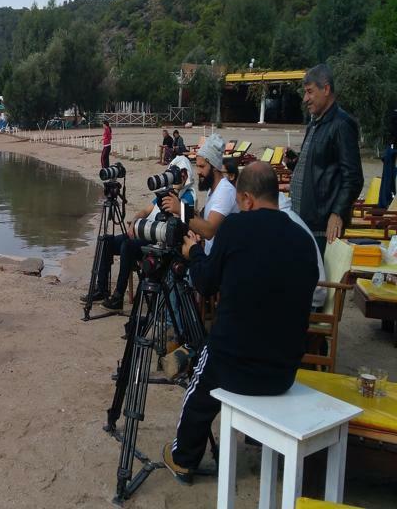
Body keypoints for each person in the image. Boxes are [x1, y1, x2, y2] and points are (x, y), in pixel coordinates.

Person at [162, 162, 319, 484]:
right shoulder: (303, 239)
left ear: (246, 198)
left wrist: (193, 252)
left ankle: (182, 459)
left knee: (199, 388)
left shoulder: (235, 228)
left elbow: (205, 283)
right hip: (283, 372)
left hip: (233, 367)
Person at [82, 156, 196, 310]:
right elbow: (145, 210)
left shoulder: (188, 196)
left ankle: (118, 296)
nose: (178, 177)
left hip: (158, 239)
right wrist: (134, 222)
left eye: (182, 174)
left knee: (127, 246)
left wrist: (176, 195)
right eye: (176, 173)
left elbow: (180, 222)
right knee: (106, 241)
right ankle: (101, 288)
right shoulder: (164, 193)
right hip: (142, 231)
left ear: (186, 175)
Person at [290, 64, 364, 254]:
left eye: (309, 92)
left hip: (323, 229)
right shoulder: (315, 123)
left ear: (326, 89)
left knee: (321, 281)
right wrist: (296, 163)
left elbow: (353, 178)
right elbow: (320, 164)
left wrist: (337, 213)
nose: (305, 99)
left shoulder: (342, 125)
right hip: (304, 223)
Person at [162, 133, 237, 255]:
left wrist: (180, 209)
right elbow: (206, 224)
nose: (198, 172)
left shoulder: (225, 191)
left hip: (221, 262)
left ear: (214, 167)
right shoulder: (213, 190)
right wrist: (195, 230)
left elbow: (209, 230)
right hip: (212, 256)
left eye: (202, 167)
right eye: (197, 166)